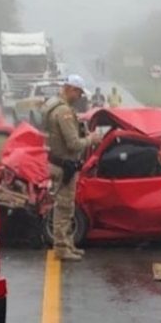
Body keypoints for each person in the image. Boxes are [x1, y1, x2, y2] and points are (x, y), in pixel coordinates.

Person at [44, 74, 103, 261]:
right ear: (70, 89)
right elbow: (73, 144)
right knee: (64, 207)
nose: (79, 97)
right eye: (78, 92)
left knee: (65, 207)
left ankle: (68, 244)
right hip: (64, 166)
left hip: (57, 162)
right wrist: (91, 139)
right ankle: (62, 247)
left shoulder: (53, 106)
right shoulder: (64, 112)